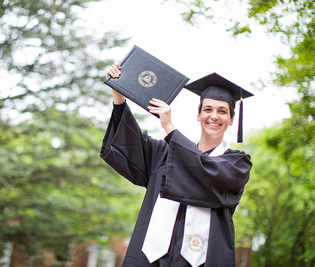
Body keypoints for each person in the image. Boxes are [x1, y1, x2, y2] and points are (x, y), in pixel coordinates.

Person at [100, 61, 253, 267]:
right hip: (150, 259)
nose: (214, 116)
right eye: (207, 109)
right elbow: (131, 142)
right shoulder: (166, 154)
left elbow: (208, 172)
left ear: (232, 120)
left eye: (222, 111)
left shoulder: (236, 164)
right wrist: (118, 92)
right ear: (198, 115)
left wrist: (171, 130)